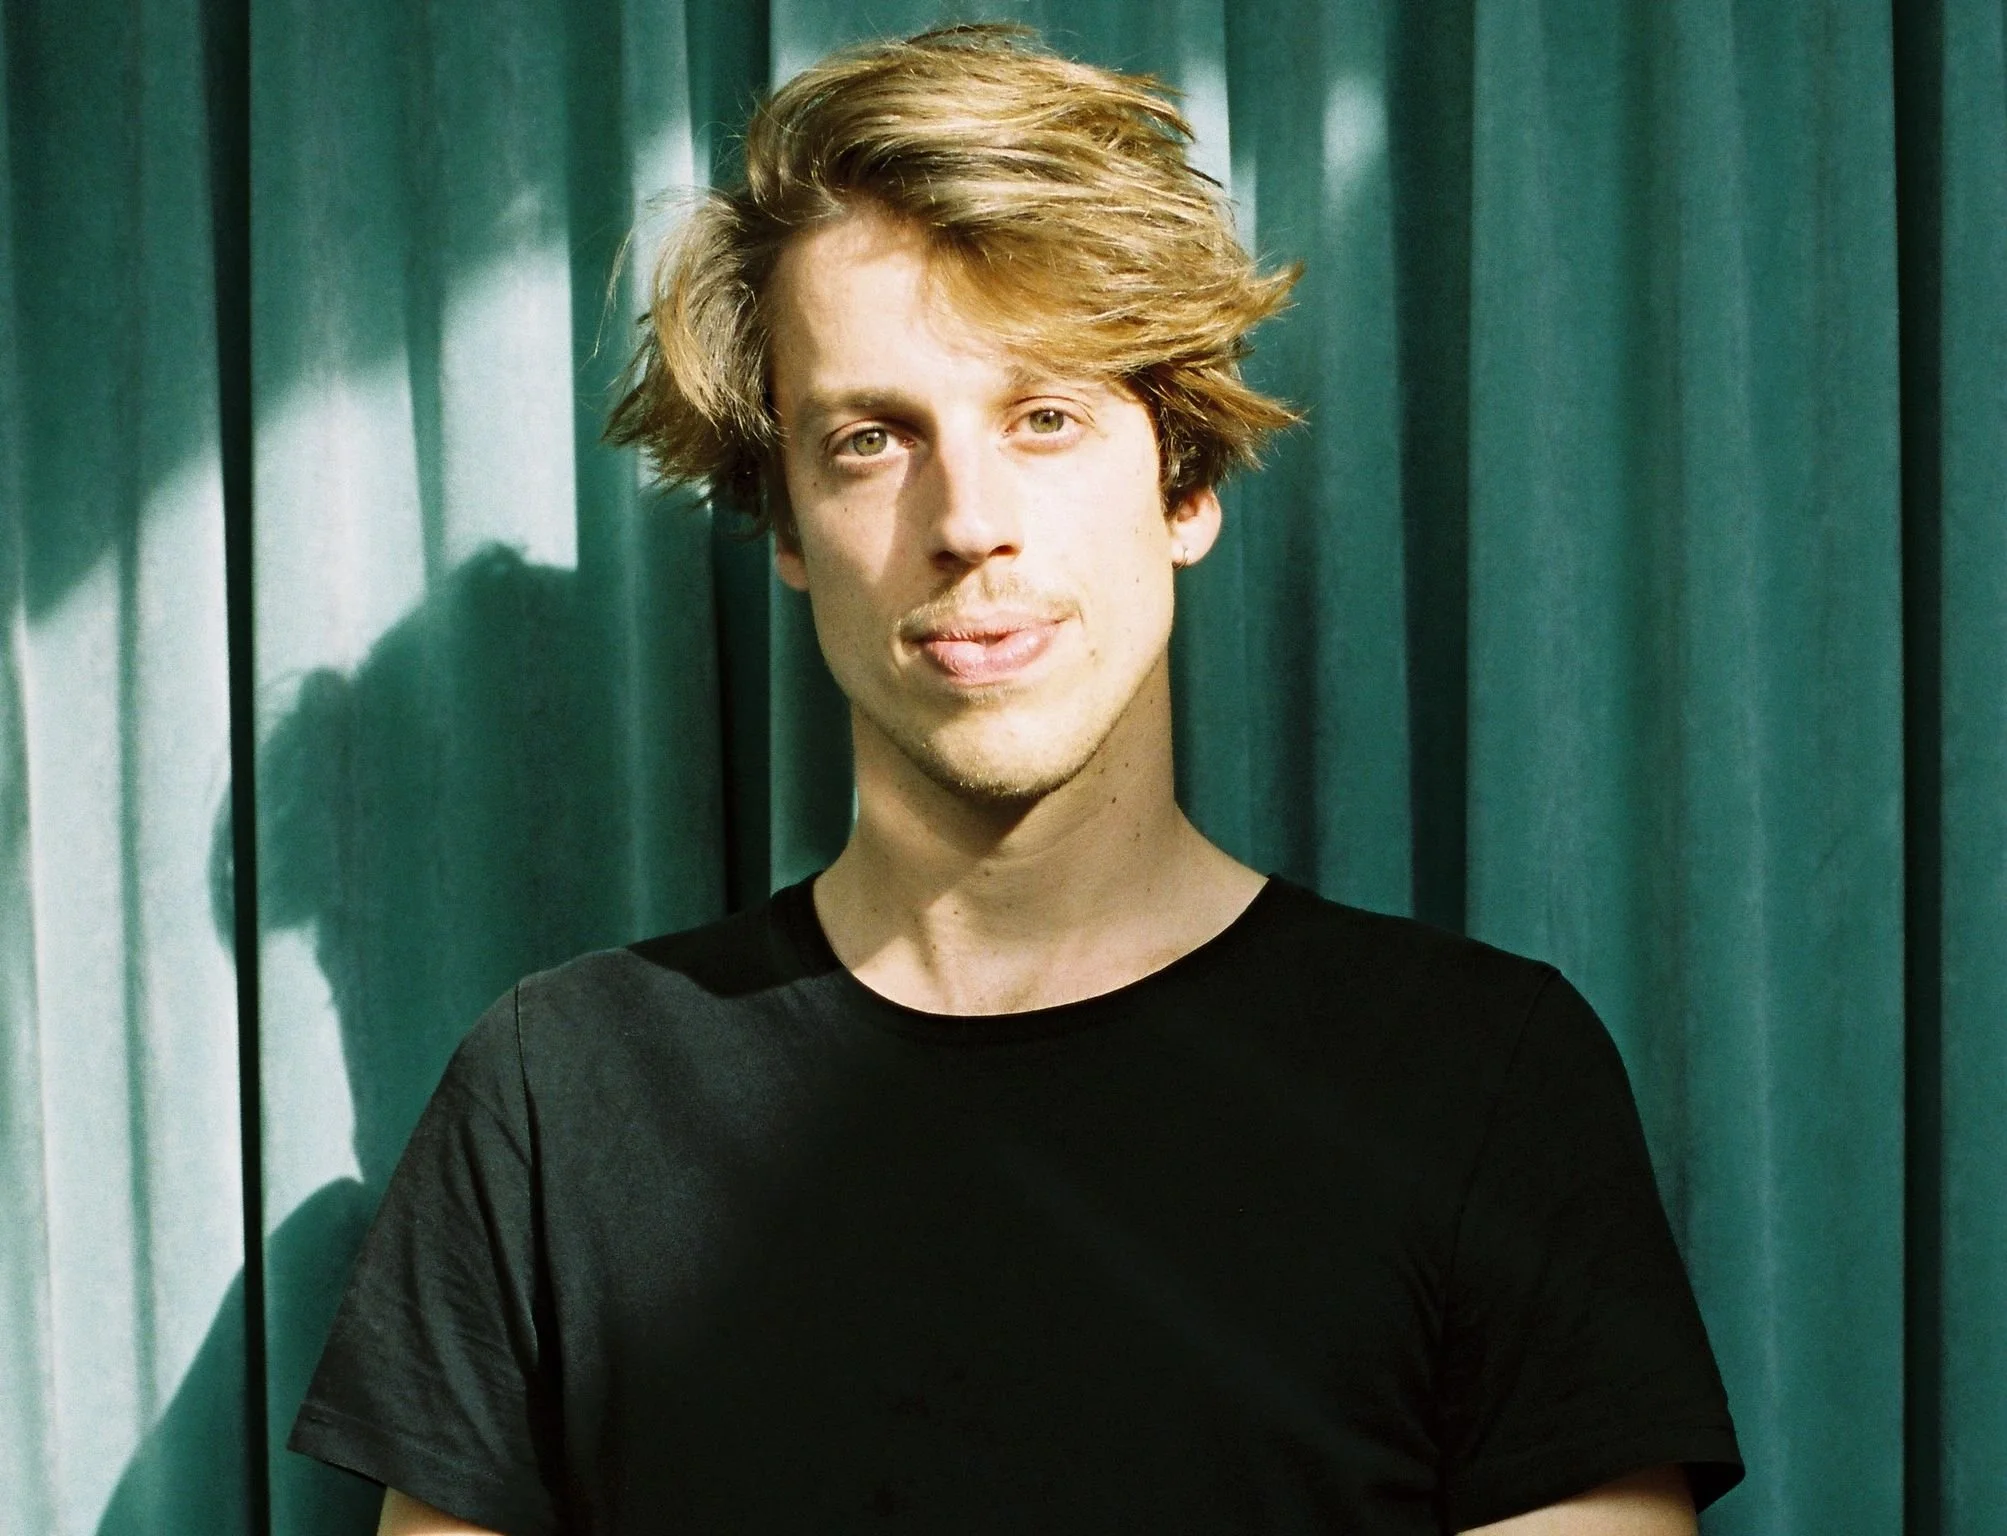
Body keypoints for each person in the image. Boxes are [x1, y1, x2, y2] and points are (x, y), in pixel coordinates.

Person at [289, 25, 1742, 1535]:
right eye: (868, 440)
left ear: (1182, 483)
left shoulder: (1478, 1080)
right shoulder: (557, 1097)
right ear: (784, 524)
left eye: (1044, 417)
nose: (968, 518)